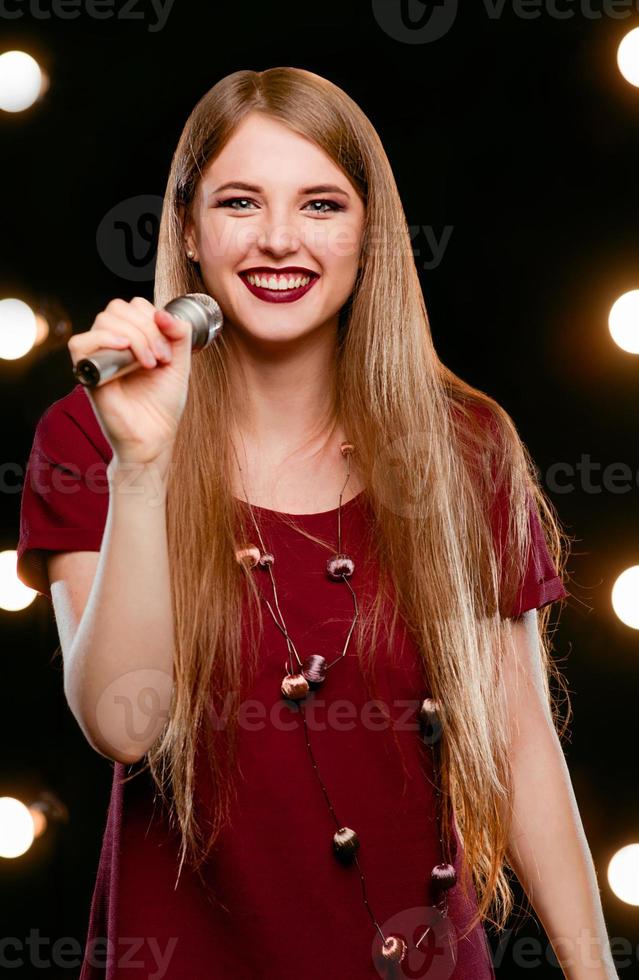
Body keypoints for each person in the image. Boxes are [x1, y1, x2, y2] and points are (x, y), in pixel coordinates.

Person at [16, 67, 616, 980]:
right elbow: (120, 726)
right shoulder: (87, 432)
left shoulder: (466, 445)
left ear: (371, 233)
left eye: (322, 205)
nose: (280, 240)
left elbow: (520, 739)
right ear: (187, 227)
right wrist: (142, 469)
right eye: (241, 202)